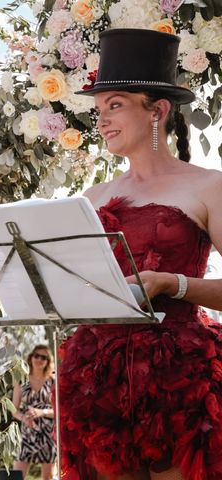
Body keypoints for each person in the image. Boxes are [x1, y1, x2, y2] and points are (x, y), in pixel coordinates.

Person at [58, 29, 222, 480]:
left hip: (179, 379)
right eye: (98, 110)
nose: (103, 120)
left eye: (115, 105)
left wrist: (175, 284)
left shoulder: (208, 186)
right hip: (99, 379)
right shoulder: (91, 197)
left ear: (158, 110)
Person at [12, 345, 56, 480]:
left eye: (44, 357)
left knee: (47, 478)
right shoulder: (21, 380)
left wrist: (41, 412)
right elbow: (14, 409)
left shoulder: (53, 381)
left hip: (48, 434)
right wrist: (23, 418)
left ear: (48, 361)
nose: (39, 359)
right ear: (31, 357)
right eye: (37, 355)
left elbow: (59, 411)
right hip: (27, 434)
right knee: (16, 477)